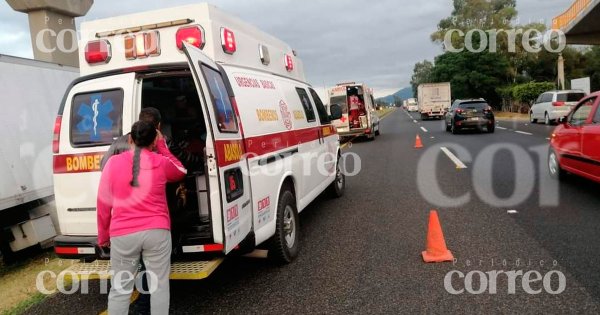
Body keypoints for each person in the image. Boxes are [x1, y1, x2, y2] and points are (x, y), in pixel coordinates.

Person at [97, 120, 187, 315]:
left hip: (123, 234)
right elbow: (181, 171)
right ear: (154, 141)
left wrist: (103, 236)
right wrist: (162, 146)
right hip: (157, 231)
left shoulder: (113, 163)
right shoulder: (160, 162)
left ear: (130, 139)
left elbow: (103, 203)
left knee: (120, 289)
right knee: (159, 286)